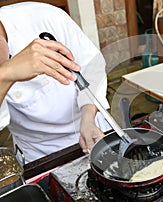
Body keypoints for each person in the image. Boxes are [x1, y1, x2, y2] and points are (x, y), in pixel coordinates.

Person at [0, 2, 111, 163]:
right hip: (39, 151)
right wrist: (6, 74)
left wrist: (88, 118)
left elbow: (92, 68)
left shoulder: (44, 16)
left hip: (91, 126)